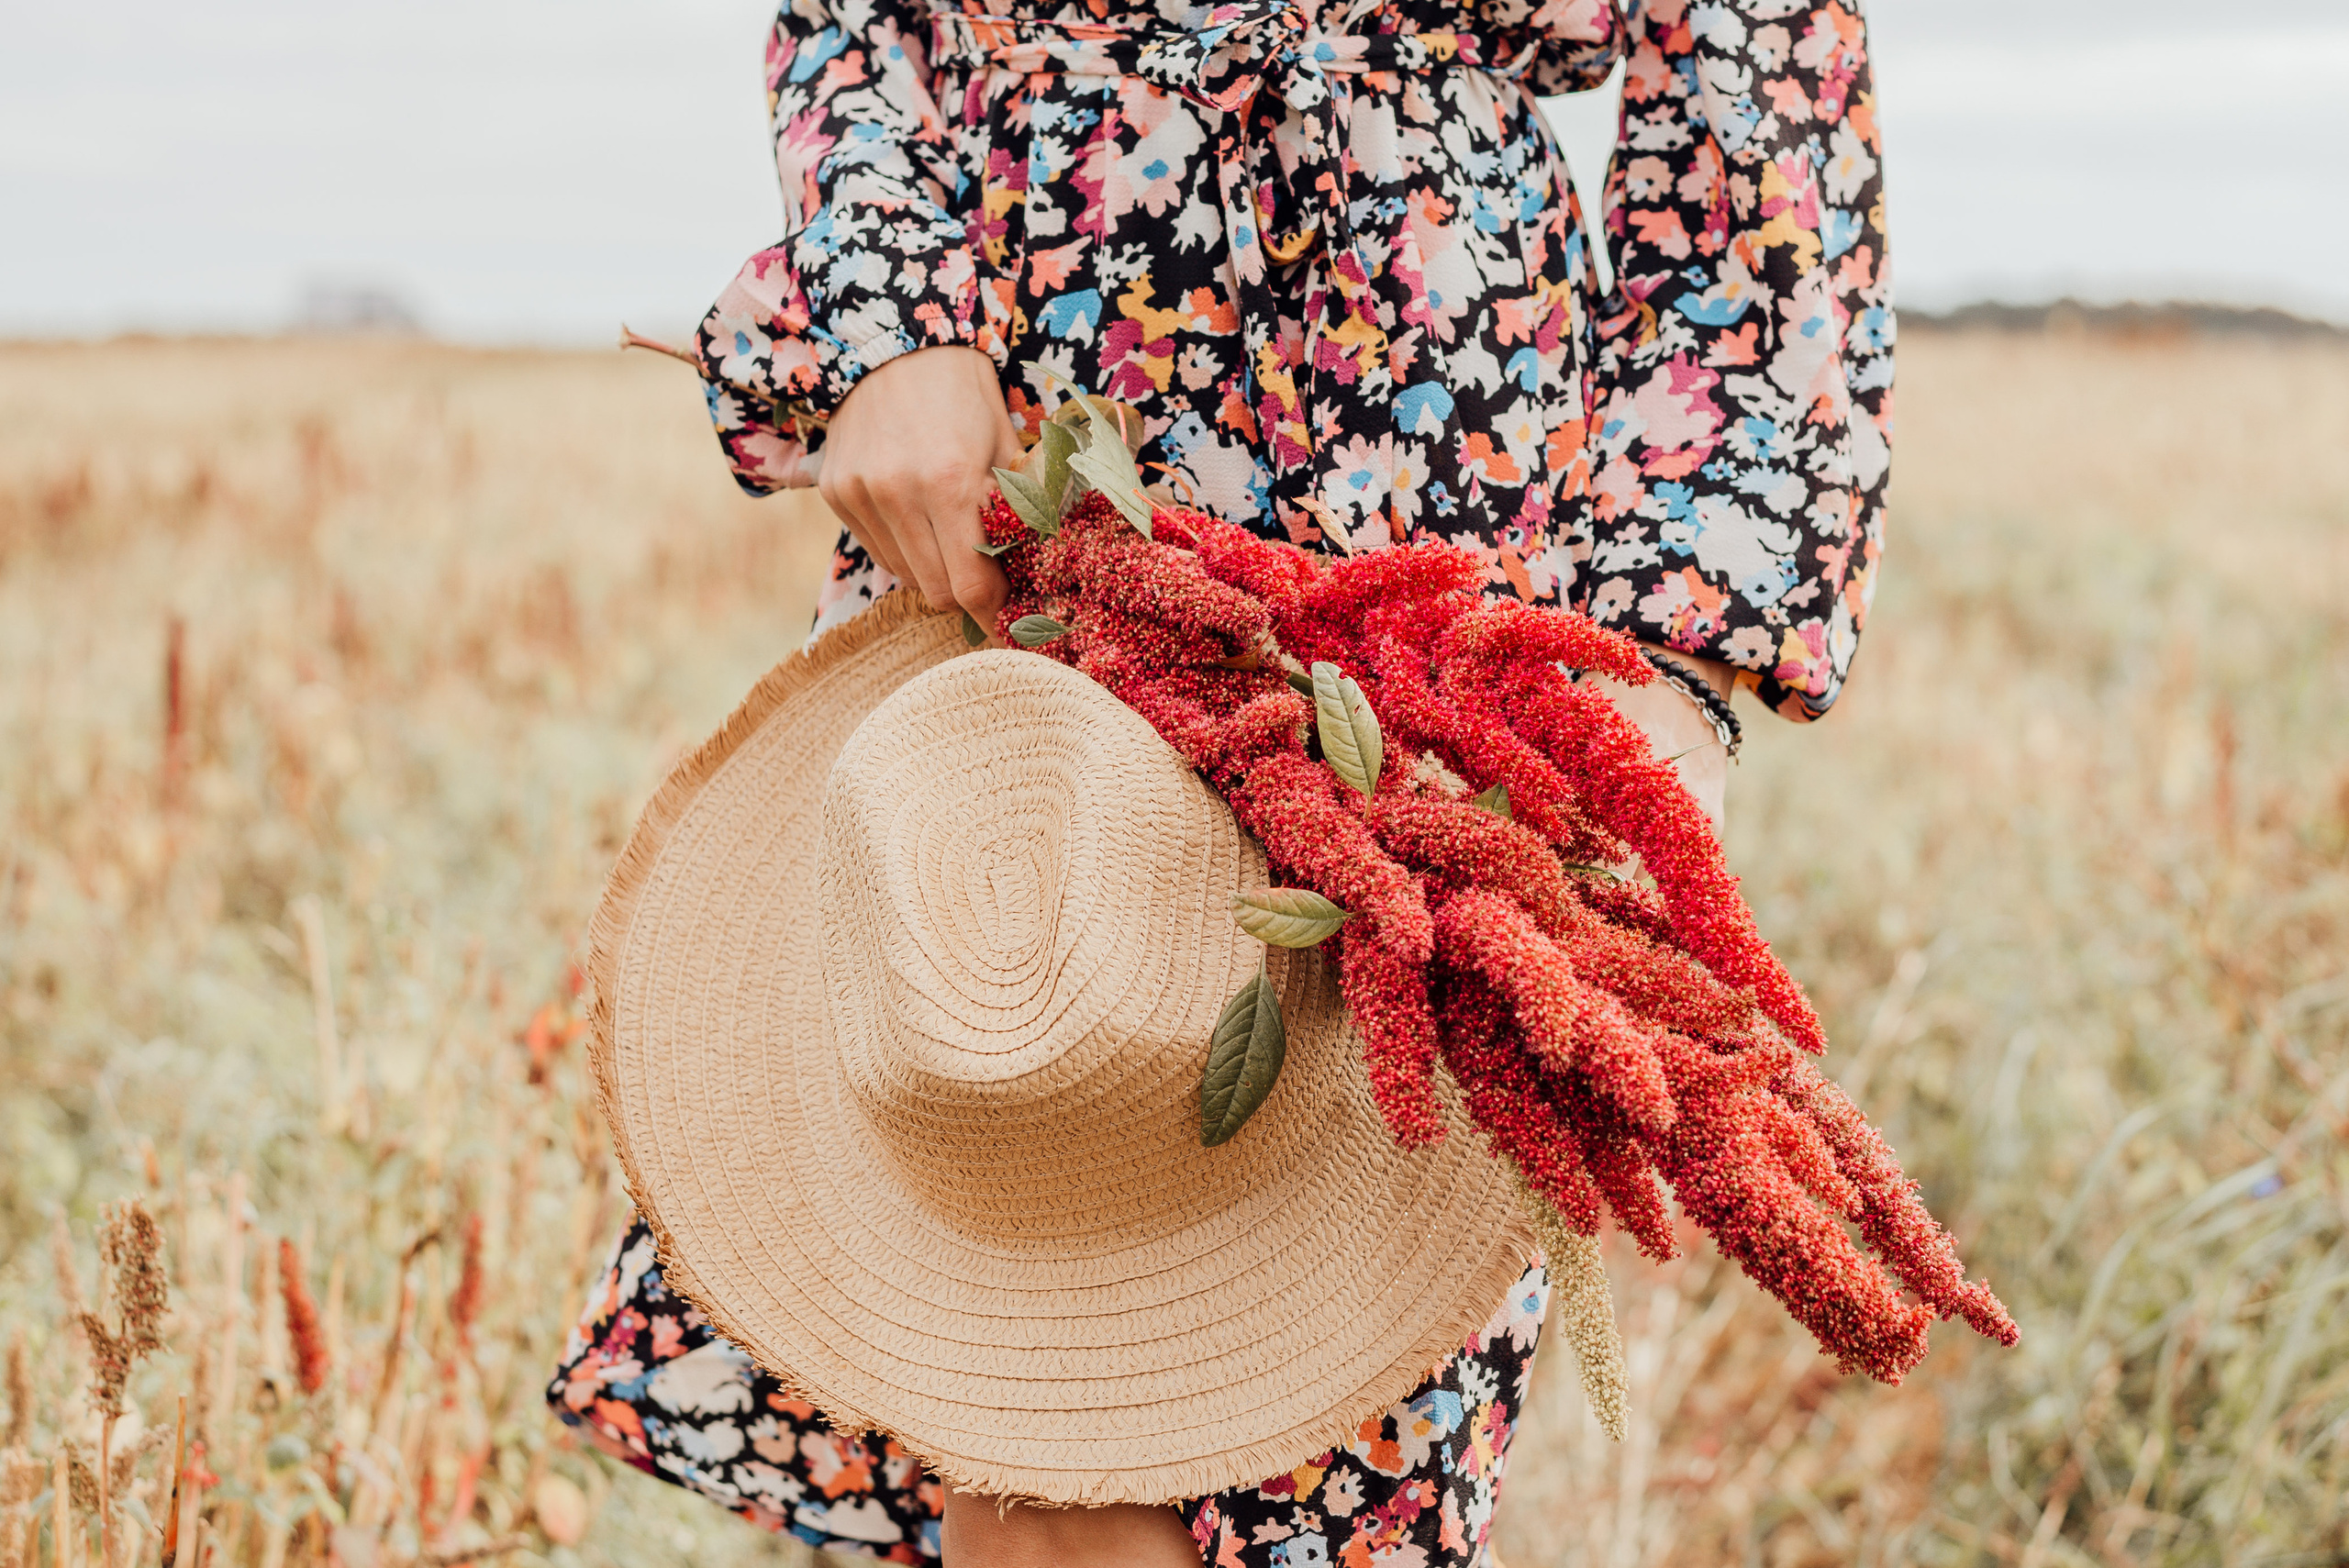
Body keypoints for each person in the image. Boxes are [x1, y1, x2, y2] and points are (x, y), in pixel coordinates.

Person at [551, 0, 1889, 1561]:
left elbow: (1764, 68)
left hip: (1418, 496)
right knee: (1031, 1387)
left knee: (1320, 1427)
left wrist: (1675, 636)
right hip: (1040, 431)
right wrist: (890, 305)